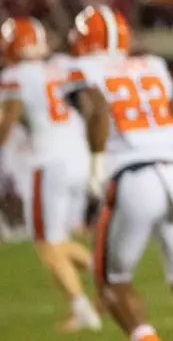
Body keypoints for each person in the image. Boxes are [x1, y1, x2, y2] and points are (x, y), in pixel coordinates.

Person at [65, 5, 173, 341]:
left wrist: (98, 164)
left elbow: (97, 109)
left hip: (132, 176)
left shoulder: (84, 68)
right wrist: (159, 146)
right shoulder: (153, 66)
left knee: (112, 281)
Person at [0, 17, 102, 331]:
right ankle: (103, 278)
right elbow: (90, 85)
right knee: (55, 240)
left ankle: (85, 305)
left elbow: (10, 118)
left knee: (46, 243)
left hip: (49, 160)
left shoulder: (14, 75)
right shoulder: (59, 65)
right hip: (77, 154)